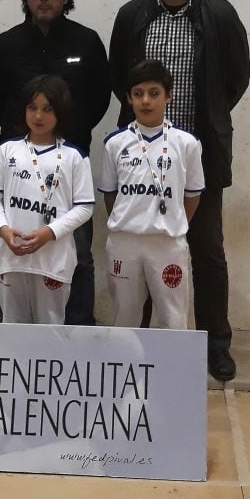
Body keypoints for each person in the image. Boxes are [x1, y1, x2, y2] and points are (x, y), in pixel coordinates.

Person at [108, 0, 250, 380]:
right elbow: (119, 80)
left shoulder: (220, 15)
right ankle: (143, 348)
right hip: (141, 157)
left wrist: (200, 123)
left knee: (206, 253)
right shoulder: (132, 17)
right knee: (142, 252)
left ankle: (213, 347)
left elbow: (235, 79)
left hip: (196, 158)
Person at [0, 0, 111, 326]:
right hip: (19, 164)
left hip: (69, 160)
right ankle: (13, 327)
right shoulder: (7, 43)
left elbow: (99, 96)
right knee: (17, 245)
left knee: (79, 250)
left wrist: (67, 137)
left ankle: (78, 326)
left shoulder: (86, 41)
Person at [99, 60, 204, 329]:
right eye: (138, 94)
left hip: (167, 244)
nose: (146, 101)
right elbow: (110, 196)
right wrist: (131, 221)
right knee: (125, 317)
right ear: (129, 98)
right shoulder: (115, 143)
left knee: (174, 317)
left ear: (169, 96)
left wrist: (172, 224)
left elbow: (192, 196)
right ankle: (126, 368)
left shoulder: (187, 144)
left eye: (154, 93)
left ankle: (172, 370)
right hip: (125, 242)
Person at [0, 75, 95, 324]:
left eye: (47, 109)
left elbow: (84, 207)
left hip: (53, 261)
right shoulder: (7, 151)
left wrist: (49, 232)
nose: (38, 116)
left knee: (51, 330)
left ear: (61, 112)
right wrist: (3, 230)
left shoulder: (74, 156)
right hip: (11, 258)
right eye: (32, 108)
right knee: (12, 329)